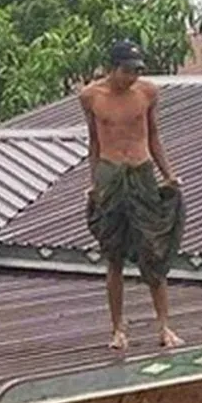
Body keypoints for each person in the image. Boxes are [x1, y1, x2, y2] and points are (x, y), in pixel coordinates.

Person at [80, 39, 186, 351]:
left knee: (152, 252)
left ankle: (165, 326)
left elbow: (154, 136)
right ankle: (117, 329)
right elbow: (94, 142)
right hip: (111, 172)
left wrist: (168, 174)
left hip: (141, 171)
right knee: (113, 255)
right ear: (114, 68)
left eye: (138, 70)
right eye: (128, 70)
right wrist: (95, 183)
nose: (133, 77)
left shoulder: (147, 92)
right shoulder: (91, 96)